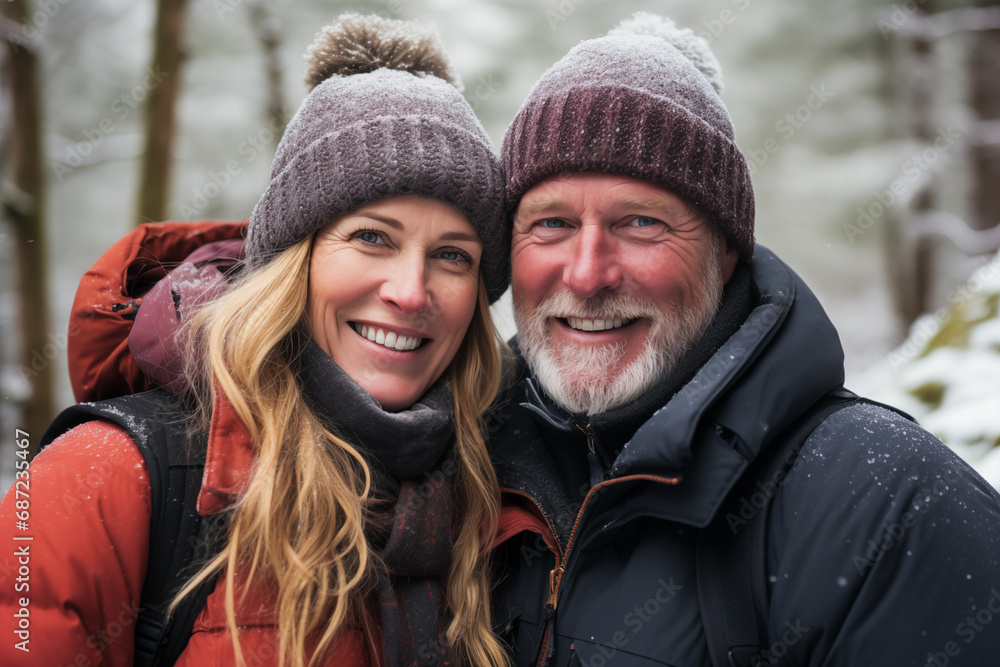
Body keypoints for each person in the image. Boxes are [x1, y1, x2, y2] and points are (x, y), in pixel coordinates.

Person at [489, 12, 1000, 667]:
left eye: (641, 222)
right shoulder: (464, 481)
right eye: (552, 223)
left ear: (725, 252)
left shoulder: (886, 507)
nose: (588, 273)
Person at [0, 14, 512, 667]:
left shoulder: (493, 492)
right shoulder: (105, 480)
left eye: (453, 255)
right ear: (292, 261)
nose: (411, 291)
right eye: (372, 237)